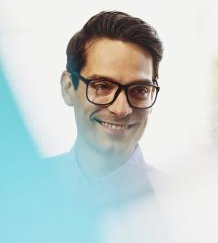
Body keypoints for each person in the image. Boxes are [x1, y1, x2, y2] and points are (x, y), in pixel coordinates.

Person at [51, 11, 163, 205]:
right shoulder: (16, 191)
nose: (121, 110)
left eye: (139, 90)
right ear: (68, 88)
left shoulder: (182, 207)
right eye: (102, 86)